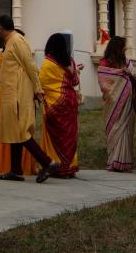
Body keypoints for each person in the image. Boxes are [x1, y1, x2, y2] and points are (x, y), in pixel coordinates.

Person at [0, 15, 59, 183]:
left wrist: (38, 90)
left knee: (21, 130)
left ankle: (48, 163)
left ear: (1, 27)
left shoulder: (17, 40)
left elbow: (30, 65)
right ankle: (15, 170)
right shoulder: (10, 41)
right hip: (11, 93)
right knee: (15, 130)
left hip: (18, 93)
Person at [38, 33, 81, 178]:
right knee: (69, 136)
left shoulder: (47, 63)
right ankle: (69, 168)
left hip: (54, 104)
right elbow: (74, 81)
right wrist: (77, 71)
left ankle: (58, 167)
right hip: (70, 101)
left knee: (55, 137)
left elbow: (42, 84)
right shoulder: (70, 61)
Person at [98, 36, 136, 172]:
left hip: (127, 103)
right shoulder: (105, 62)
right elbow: (104, 82)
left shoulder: (127, 62)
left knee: (125, 129)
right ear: (117, 48)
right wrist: (120, 74)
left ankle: (124, 162)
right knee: (115, 129)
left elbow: (134, 78)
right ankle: (114, 161)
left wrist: (128, 75)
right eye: (123, 47)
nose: (125, 49)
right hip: (113, 103)